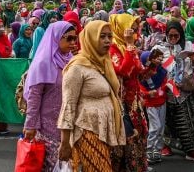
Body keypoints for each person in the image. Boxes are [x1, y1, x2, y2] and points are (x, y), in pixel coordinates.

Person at [58, 20, 126, 171]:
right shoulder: (77, 67)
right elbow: (68, 105)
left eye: (109, 36)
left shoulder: (103, 63)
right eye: (102, 36)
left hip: (104, 131)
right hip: (87, 131)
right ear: (91, 38)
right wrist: (65, 143)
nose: (107, 40)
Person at [23, 21, 77, 171]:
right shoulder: (43, 63)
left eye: (75, 38)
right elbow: (34, 98)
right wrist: (30, 125)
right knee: (52, 166)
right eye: (69, 38)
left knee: (66, 166)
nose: (73, 42)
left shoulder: (71, 60)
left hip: (68, 125)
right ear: (56, 37)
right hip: (47, 128)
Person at [109, 13, 154, 171]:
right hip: (122, 106)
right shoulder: (113, 48)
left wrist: (152, 65)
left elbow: (139, 74)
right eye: (131, 31)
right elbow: (125, 71)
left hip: (135, 102)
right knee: (125, 145)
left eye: (136, 31)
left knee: (138, 141)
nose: (135, 34)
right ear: (121, 29)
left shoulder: (130, 48)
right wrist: (129, 45)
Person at [160, 20, 194, 162]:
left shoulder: (188, 46)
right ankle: (164, 145)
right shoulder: (160, 48)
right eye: (170, 36)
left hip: (184, 91)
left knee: (187, 121)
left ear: (181, 34)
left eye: (176, 36)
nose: (173, 39)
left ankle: (190, 150)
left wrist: (193, 59)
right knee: (166, 121)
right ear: (166, 35)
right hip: (167, 91)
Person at [139, 49, 166, 165]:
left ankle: (157, 150)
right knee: (155, 127)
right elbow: (140, 89)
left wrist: (163, 89)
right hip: (151, 104)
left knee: (161, 128)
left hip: (162, 102)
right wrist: (148, 94)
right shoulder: (143, 76)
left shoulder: (161, 71)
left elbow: (165, 82)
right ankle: (149, 149)